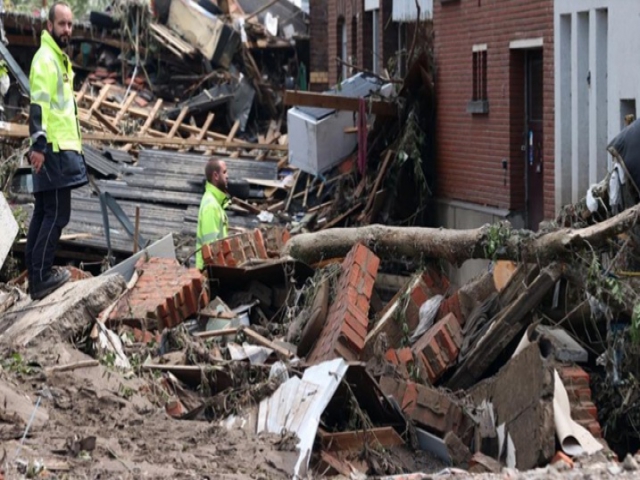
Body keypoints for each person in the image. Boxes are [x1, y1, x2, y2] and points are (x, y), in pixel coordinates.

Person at [25, 1, 88, 300]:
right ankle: (42, 277)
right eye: (62, 24)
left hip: (54, 148)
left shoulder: (56, 58)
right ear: (49, 26)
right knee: (57, 213)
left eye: (70, 24)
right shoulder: (46, 59)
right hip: (52, 149)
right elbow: (39, 105)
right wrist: (39, 146)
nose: (67, 30)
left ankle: (35, 277)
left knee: (44, 211)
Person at [196, 158, 230, 270]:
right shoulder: (211, 206)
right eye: (224, 172)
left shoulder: (215, 202)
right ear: (215, 176)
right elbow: (211, 250)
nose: (227, 176)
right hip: (210, 272)